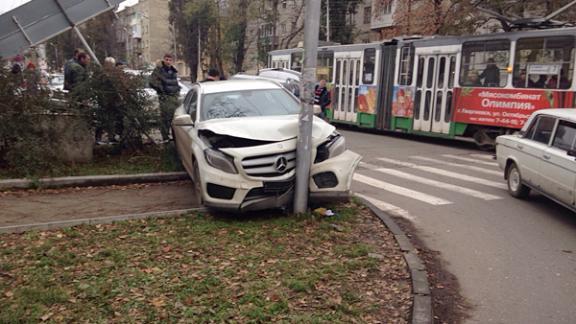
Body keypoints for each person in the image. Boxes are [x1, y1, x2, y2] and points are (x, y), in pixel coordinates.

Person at [149, 53, 181, 141]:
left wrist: (177, 90)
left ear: (172, 61)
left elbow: (175, 82)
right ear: (164, 60)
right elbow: (152, 82)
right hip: (165, 97)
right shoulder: (159, 69)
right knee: (165, 117)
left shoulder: (173, 70)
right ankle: (165, 137)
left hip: (174, 96)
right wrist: (161, 90)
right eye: (166, 59)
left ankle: (172, 136)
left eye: (170, 60)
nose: (168, 62)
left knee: (174, 117)